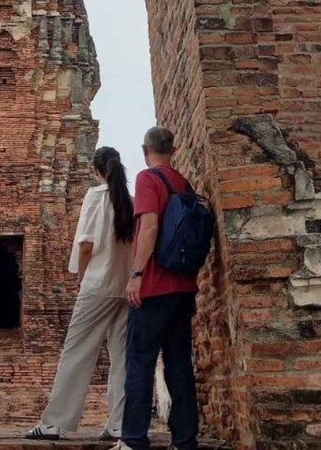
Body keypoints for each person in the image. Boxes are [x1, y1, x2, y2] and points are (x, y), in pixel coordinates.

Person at [24, 146, 135, 441]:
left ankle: (54, 423)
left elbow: (85, 245)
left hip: (98, 285)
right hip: (125, 287)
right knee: (122, 356)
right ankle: (118, 425)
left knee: (76, 352)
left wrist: (82, 279)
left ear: (95, 170)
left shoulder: (96, 196)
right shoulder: (132, 201)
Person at [118, 127, 198, 450]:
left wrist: (136, 273)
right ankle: (185, 439)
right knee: (179, 363)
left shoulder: (148, 179)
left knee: (140, 361)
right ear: (174, 149)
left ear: (144, 149)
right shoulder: (183, 182)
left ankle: (134, 439)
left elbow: (149, 228)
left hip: (153, 287)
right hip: (182, 288)